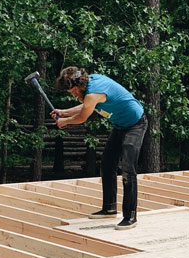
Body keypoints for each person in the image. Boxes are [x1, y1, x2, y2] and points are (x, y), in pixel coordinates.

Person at [53, 66, 147, 229]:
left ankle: (130, 216)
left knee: (128, 167)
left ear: (79, 86)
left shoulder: (94, 92)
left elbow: (83, 116)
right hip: (120, 125)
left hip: (136, 124)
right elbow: (87, 106)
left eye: (74, 92)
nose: (74, 95)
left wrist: (65, 121)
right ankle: (109, 207)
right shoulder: (91, 82)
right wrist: (63, 112)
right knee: (107, 162)